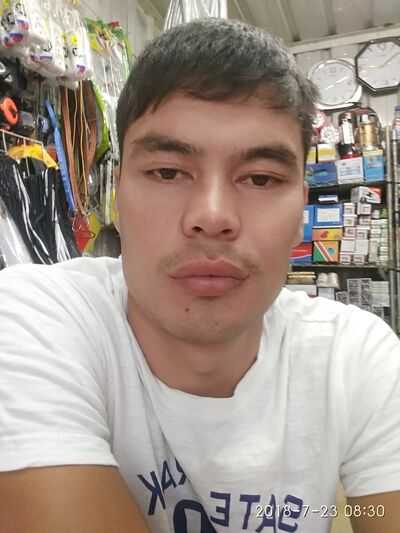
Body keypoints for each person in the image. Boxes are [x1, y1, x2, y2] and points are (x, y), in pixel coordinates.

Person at [0, 17, 399, 533]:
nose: (212, 216)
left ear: (302, 206)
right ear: (117, 194)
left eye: (260, 178)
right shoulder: (31, 320)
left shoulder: (357, 356)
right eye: (167, 172)